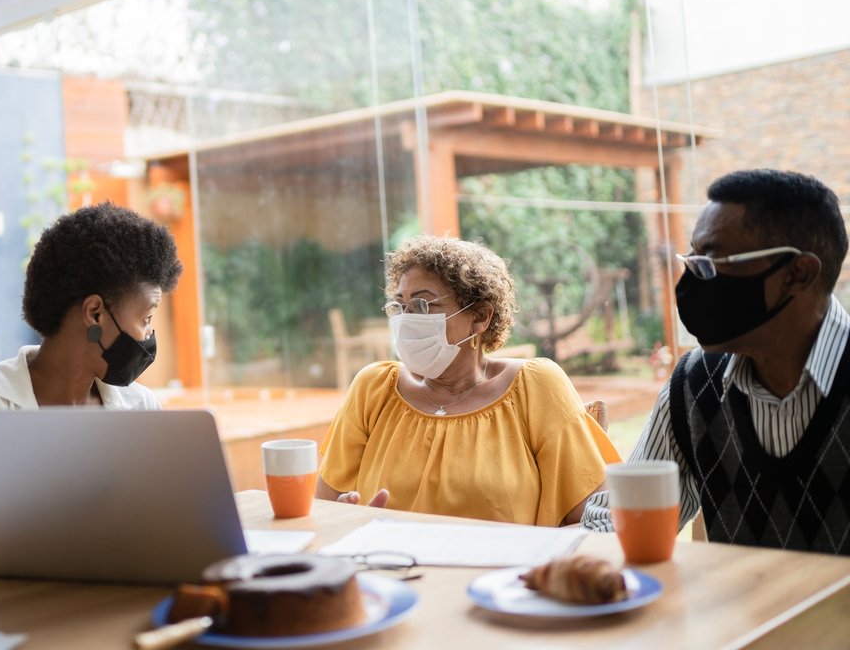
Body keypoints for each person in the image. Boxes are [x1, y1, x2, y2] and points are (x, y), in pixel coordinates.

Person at [583, 169, 850, 555]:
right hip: (739, 616)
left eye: (713, 262)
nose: (692, 282)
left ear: (797, 273)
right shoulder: (696, 383)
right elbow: (616, 523)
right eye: (692, 260)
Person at [0, 202, 183, 560]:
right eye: (147, 318)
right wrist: (53, 514)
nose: (149, 335)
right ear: (95, 313)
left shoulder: (141, 407)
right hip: (17, 609)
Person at [318, 235, 620, 526]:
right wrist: (345, 521)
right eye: (400, 306)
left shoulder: (536, 386)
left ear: (480, 317)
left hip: (501, 575)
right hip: (391, 571)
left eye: (424, 305)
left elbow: (595, 522)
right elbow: (322, 510)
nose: (406, 319)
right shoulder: (374, 387)